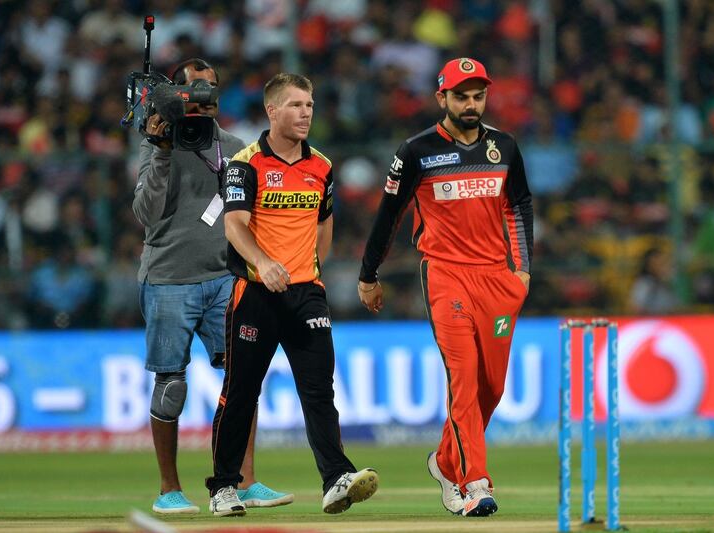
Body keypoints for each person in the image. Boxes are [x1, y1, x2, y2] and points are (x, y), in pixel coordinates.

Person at [358, 58, 532, 518]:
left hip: (498, 278)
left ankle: (444, 462)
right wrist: (368, 274)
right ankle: (475, 481)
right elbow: (388, 215)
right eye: (461, 96)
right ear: (442, 99)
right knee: (463, 380)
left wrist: (523, 271)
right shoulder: (416, 151)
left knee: (490, 387)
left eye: (478, 95)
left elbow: (519, 206)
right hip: (446, 275)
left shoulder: (505, 147)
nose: (471, 104)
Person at [204, 73, 379, 517]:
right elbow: (234, 225)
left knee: (319, 392)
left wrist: (309, 273)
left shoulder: (321, 165)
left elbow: (324, 224)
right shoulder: (245, 164)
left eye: (311, 105)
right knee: (240, 393)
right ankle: (224, 486)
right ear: (272, 111)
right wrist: (263, 263)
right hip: (256, 295)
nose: (306, 113)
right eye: (297, 105)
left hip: (306, 297)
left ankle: (336, 479)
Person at [133, 57, 291, 515]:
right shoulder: (156, 143)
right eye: (194, 89)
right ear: (175, 95)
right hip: (168, 280)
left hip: (226, 276)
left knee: (244, 375)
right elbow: (146, 214)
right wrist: (161, 149)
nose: (203, 96)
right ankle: (169, 490)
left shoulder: (237, 148)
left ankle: (245, 480)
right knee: (171, 385)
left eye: (211, 88)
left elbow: (253, 213)